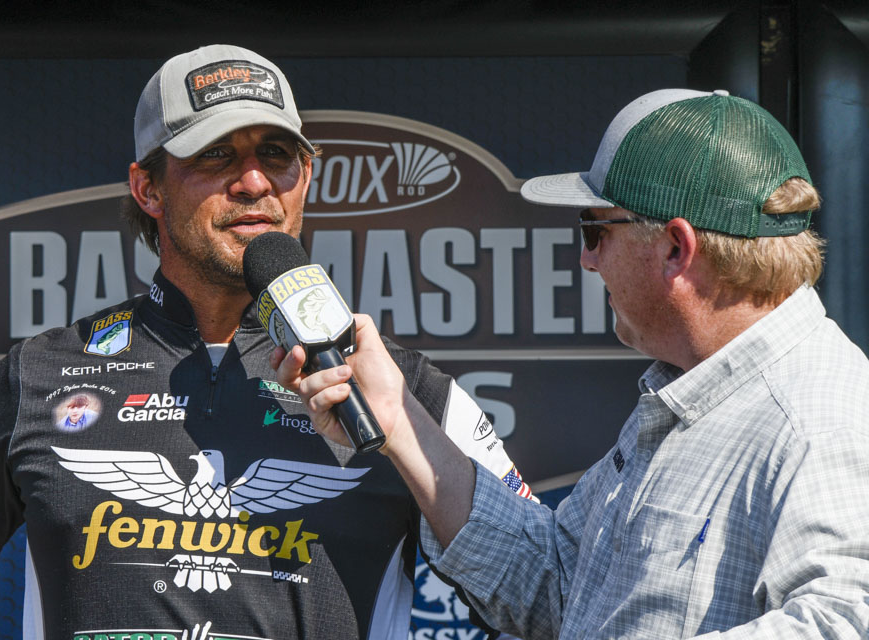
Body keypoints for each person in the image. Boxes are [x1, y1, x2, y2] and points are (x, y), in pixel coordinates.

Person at [0, 45, 535, 639]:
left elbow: (541, 595)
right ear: (148, 189)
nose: (254, 182)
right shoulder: (33, 377)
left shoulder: (403, 395)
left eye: (276, 154)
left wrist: (402, 432)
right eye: (215, 155)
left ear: (306, 176)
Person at [276, 89, 869, 639]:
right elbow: (554, 579)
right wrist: (401, 422)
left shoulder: (820, 414)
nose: (587, 260)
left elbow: (844, 622)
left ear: (675, 247)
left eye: (595, 229)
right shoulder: (691, 391)